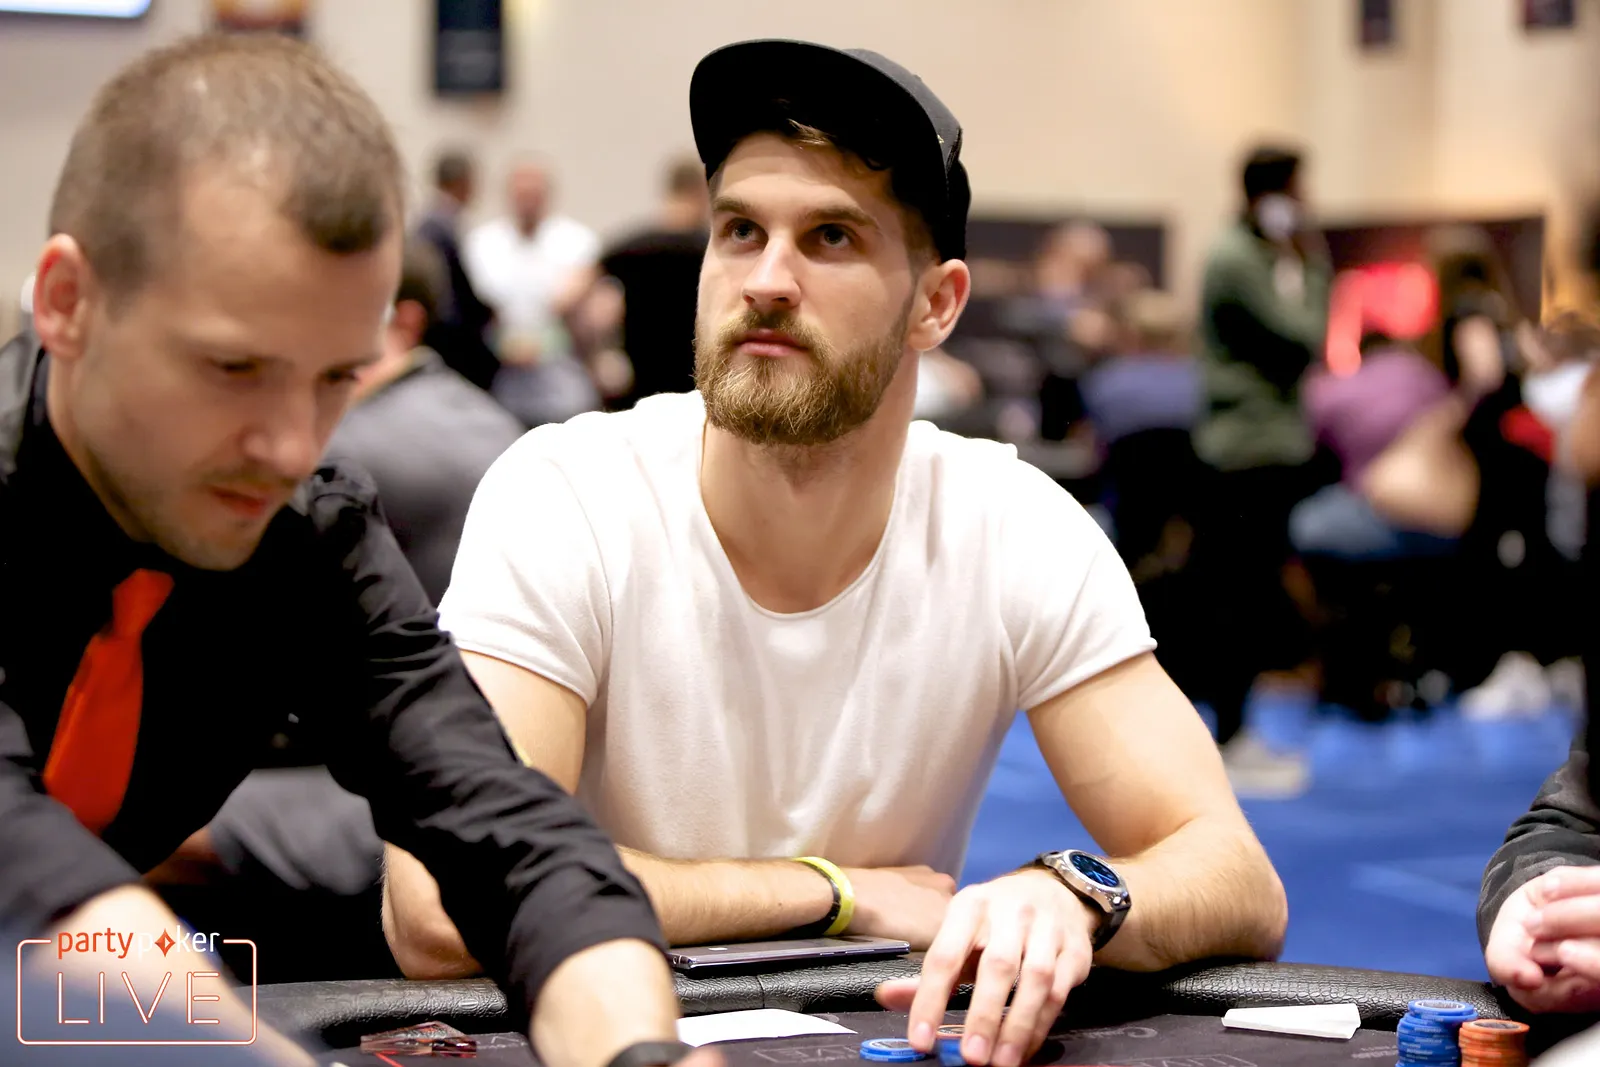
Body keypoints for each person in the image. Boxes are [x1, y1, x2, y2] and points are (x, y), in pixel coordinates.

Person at [388, 38, 1288, 1067]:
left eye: (830, 237)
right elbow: (441, 900)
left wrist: (1076, 891)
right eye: (739, 231)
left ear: (936, 304)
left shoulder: (1011, 524)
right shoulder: (567, 494)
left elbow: (1237, 877)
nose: (767, 280)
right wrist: (833, 891)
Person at [1, 33, 698, 1067]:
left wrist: (640, 1052)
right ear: (67, 302)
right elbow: (24, 868)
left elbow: (505, 829)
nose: (292, 447)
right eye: (234, 367)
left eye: (337, 376)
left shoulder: (306, 528)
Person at [1190, 144, 1331, 796]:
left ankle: (1232, 733)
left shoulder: (1257, 255)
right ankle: (1230, 736)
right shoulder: (1238, 259)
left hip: (1263, 446)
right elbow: (1303, 335)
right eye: (1299, 190)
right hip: (1245, 450)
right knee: (1237, 596)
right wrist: (1315, 262)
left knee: (1245, 592)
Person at [465, 158, 605, 427]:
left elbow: (576, 301)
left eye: (534, 194)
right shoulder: (481, 243)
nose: (527, 202)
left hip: (562, 369)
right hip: (500, 373)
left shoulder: (577, 242)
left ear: (548, 195)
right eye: (521, 194)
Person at [571, 155, 712, 409]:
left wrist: (593, 356)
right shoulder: (709, 250)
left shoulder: (632, 245)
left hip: (637, 387)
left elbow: (566, 296)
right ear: (702, 192)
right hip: (694, 385)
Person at [415, 149, 499, 392]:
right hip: (450, 339)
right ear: (464, 183)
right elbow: (456, 292)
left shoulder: (432, 223)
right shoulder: (440, 227)